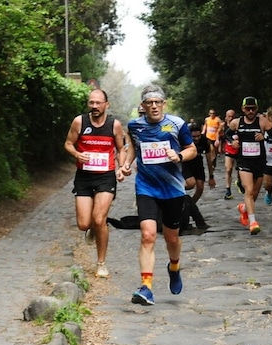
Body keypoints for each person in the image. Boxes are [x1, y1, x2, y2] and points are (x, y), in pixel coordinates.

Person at [123, 85, 198, 306]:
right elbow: (133, 149)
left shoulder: (177, 124)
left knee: (171, 238)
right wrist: (126, 165)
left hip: (173, 188)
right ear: (143, 106)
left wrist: (179, 156)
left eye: (158, 102)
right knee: (147, 235)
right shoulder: (135, 126)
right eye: (149, 103)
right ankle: (146, 287)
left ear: (163, 104)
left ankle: (174, 267)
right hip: (146, 187)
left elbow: (191, 148)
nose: (154, 106)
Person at [63, 88, 129, 279]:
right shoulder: (79, 122)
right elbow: (68, 143)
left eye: (98, 103)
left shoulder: (114, 125)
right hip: (84, 176)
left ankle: (101, 263)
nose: (94, 106)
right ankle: (92, 228)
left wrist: (122, 166)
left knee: (100, 219)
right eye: (91, 102)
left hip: (105, 176)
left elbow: (121, 148)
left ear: (106, 104)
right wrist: (77, 154)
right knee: (84, 224)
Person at [229, 96, 272, 234]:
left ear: (257, 109)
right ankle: (253, 222)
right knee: (248, 190)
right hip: (244, 161)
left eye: (253, 108)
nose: (250, 111)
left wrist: (264, 137)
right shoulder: (237, 122)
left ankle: (244, 208)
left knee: (254, 193)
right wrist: (232, 141)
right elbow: (226, 134)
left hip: (259, 161)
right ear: (243, 109)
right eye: (247, 108)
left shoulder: (263, 122)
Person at [181, 120, 210, 232]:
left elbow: (208, 157)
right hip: (186, 163)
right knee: (190, 184)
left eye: (198, 136)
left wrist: (211, 175)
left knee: (200, 187)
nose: (196, 139)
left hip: (198, 163)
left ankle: (189, 207)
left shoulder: (204, 140)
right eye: (194, 137)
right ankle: (174, 191)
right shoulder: (183, 140)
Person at [221, 109, 239, 199]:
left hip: (239, 150)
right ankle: (228, 190)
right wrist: (217, 141)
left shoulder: (238, 124)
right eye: (229, 116)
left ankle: (239, 181)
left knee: (240, 170)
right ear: (226, 117)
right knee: (228, 169)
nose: (231, 118)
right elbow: (220, 134)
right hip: (229, 149)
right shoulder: (223, 125)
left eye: (233, 116)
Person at [203, 109, 223, 187]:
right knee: (211, 150)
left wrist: (220, 130)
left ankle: (214, 161)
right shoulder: (207, 119)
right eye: (211, 113)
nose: (212, 115)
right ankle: (212, 161)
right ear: (209, 114)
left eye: (213, 113)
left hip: (216, 137)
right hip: (208, 137)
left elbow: (221, 126)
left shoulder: (217, 119)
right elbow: (205, 126)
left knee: (215, 151)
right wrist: (203, 132)